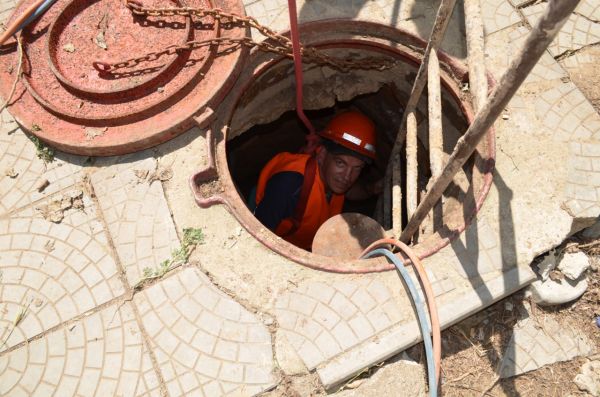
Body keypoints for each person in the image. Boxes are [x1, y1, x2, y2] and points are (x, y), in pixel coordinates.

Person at [253, 110, 380, 251]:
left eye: (357, 168)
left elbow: (350, 191)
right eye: (340, 163)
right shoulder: (289, 186)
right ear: (322, 154)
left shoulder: (336, 179)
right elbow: (258, 237)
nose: (347, 176)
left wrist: (372, 189)